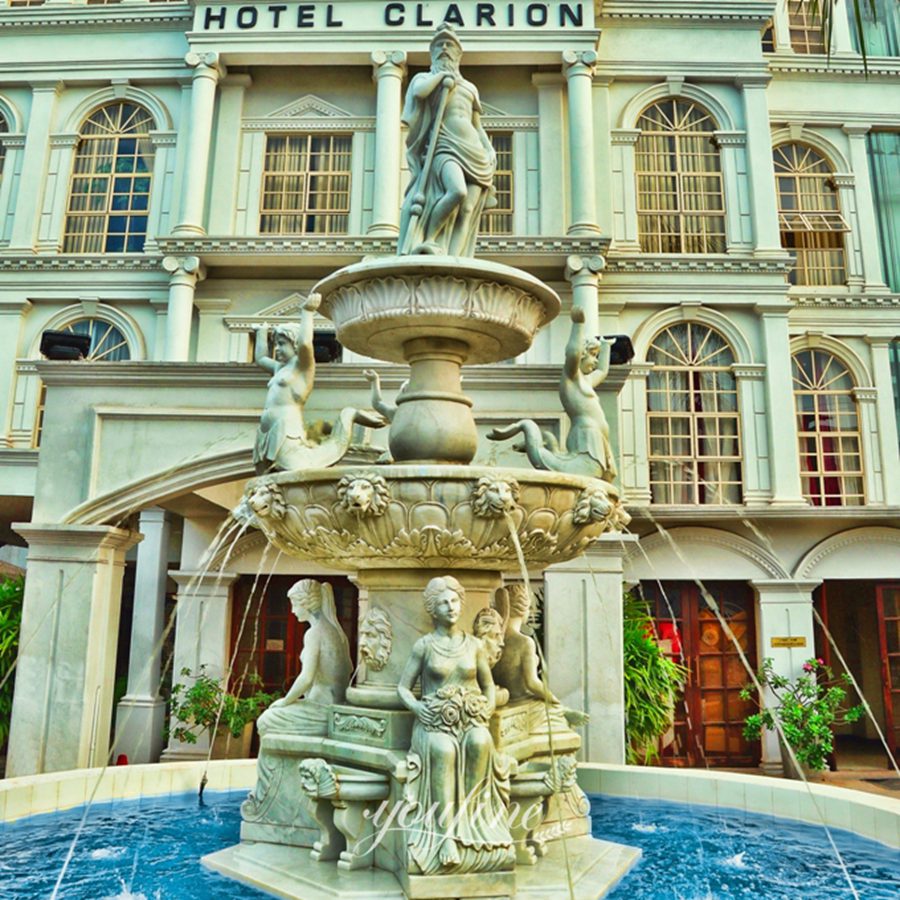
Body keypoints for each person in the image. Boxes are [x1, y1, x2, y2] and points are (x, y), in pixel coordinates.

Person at [397, 576, 514, 875]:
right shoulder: (424, 645)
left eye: (454, 601)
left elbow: (488, 685)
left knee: (480, 742)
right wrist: (418, 708)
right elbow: (403, 688)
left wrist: (487, 706)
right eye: (443, 603)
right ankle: (444, 835)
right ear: (432, 610)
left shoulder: (474, 645)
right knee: (444, 751)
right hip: (434, 723)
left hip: (471, 719)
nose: (450, 607)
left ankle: (471, 823)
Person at [398, 24, 496, 256]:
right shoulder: (426, 78)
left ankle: (457, 257)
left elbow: (476, 125)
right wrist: (441, 75)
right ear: (432, 54)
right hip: (445, 146)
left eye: (449, 45)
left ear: (457, 54)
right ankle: (429, 239)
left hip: (475, 151)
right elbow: (419, 93)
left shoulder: (470, 87)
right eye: (439, 45)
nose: (444, 48)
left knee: (468, 209)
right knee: (457, 192)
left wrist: (489, 147)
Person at [256, 579, 352, 737]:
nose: (293, 611)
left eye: (294, 604)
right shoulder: (336, 631)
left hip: (321, 709)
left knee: (266, 720)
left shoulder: (314, 633)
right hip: (333, 705)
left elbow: (306, 678)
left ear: (306, 603)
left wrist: (286, 701)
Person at [252, 294, 320, 474]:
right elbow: (260, 358)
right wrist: (261, 332)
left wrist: (307, 312)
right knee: (263, 482)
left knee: (289, 473)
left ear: (295, 344)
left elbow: (306, 344)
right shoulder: (278, 368)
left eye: (281, 344)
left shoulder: (303, 368)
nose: (277, 349)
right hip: (267, 432)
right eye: (276, 344)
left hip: (287, 429)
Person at [559, 306, 617, 481]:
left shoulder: (588, 381)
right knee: (589, 480)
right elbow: (572, 353)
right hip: (585, 436)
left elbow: (603, 371)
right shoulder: (571, 377)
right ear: (582, 355)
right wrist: (578, 325)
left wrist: (606, 346)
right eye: (593, 355)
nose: (596, 360)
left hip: (597, 438)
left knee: (602, 483)